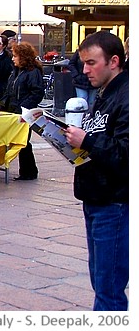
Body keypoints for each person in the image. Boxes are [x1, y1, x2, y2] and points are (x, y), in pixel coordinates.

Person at [64, 31, 128, 311]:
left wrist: (87, 141)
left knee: (108, 288)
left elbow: (125, 155)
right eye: (83, 63)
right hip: (96, 197)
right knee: (101, 281)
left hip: (114, 201)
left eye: (91, 63)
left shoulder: (126, 96)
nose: (85, 70)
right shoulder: (104, 93)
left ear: (113, 61)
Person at [0, 41, 44, 181]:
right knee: (21, 141)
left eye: (15, 56)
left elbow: (36, 93)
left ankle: (29, 171)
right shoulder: (16, 71)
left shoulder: (32, 72)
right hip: (14, 110)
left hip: (24, 111)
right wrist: (1, 105)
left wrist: (23, 107)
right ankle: (27, 171)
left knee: (23, 141)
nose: (12, 58)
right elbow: (9, 91)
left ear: (22, 57)